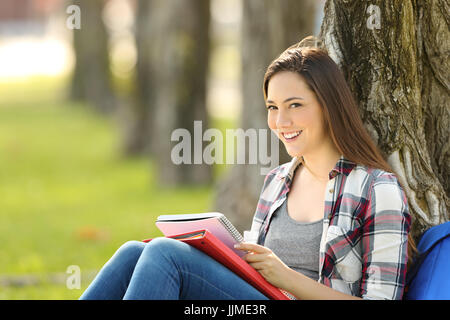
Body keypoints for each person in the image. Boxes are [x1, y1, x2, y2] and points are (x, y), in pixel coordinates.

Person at [79, 36, 414, 300]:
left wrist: (287, 278)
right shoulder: (278, 181)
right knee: (135, 251)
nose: (281, 122)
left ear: (329, 107)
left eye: (295, 105)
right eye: (273, 107)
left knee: (166, 255)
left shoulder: (376, 188)